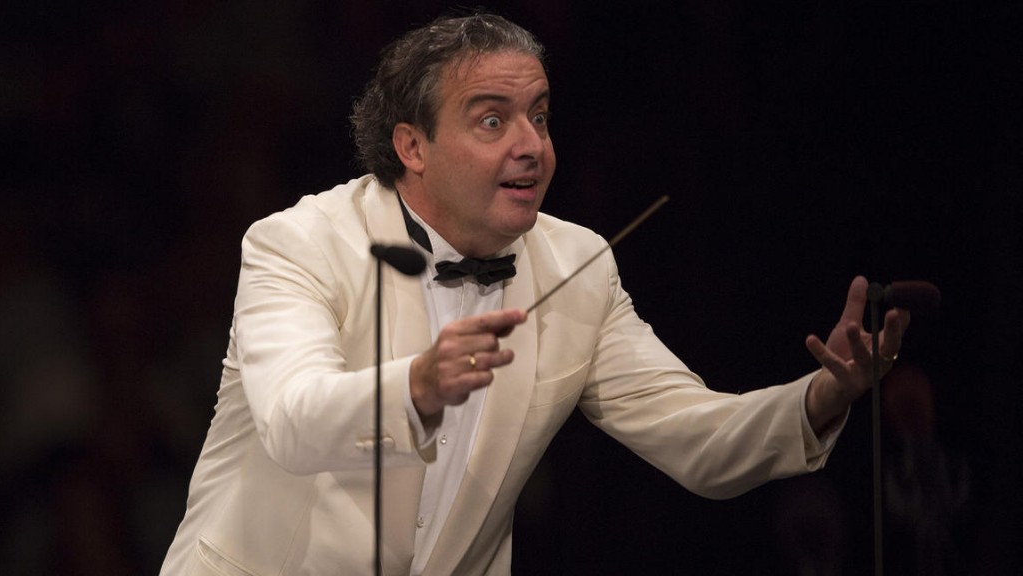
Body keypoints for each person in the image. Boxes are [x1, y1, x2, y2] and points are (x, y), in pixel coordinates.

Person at [160, 12, 908, 575]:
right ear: (411, 146)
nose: (531, 145)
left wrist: (822, 397)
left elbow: (695, 437)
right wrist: (417, 386)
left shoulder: (577, 263)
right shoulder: (299, 242)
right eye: (493, 119)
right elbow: (293, 421)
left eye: (540, 117)